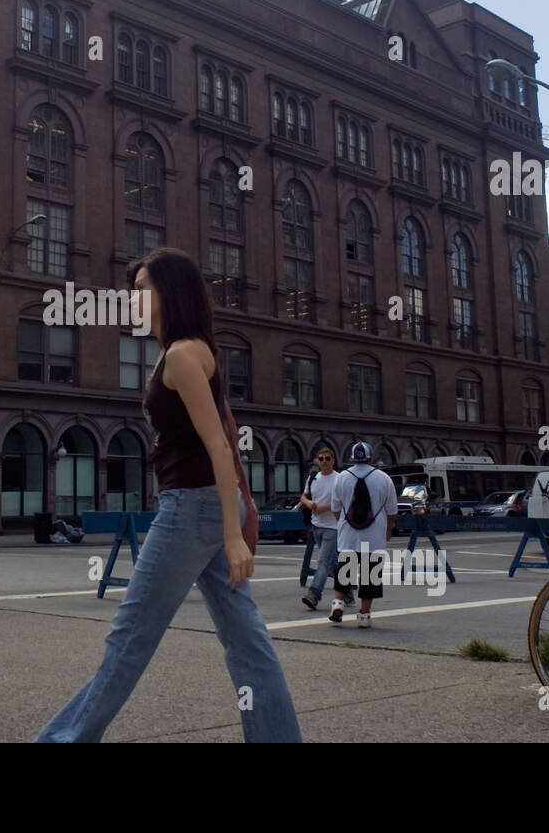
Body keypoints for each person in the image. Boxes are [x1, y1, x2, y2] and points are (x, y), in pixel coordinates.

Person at [36, 247, 300, 742]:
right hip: (207, 507)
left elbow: (220, 445)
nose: (131, 298)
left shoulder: (180, 355)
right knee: (246, 641)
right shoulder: (193, 349)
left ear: (168, 293)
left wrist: (233, 531)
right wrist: (238, 512)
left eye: (141, 290)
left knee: (130, 636)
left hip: (191, 510)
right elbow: (222, 432)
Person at [328, 441, 397, 629]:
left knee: (344, 571)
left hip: (348, 536)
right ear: (371, 458)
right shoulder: (384, 478)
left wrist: (344, 524)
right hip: (373, 536)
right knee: (370, 576)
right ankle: (364, 615)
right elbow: (391, 511)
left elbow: (335, 508)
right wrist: (388, 530)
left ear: (352, 458)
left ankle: (338, 604)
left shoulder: (341, 478)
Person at [300, 447, 352, 612]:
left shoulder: (339, 479)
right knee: (332, 564)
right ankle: (347, 592)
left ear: (333, 460)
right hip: (317, 526)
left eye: (327, 458)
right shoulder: (313, 477)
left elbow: (345, 501)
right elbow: (304, 497)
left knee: (323, 562)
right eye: (321, 458)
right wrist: (309, 504)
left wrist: (324, 508)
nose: (324, 461)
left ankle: (314, 595)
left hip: (333, 527)